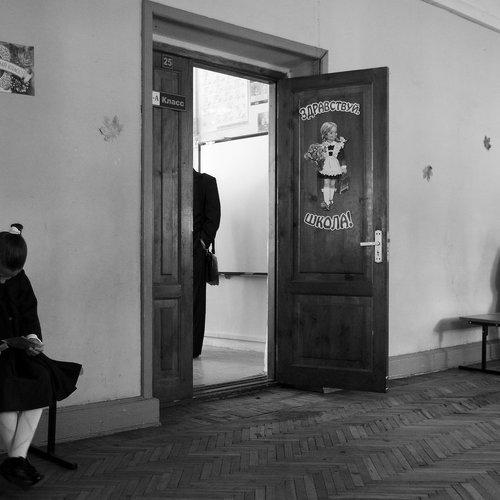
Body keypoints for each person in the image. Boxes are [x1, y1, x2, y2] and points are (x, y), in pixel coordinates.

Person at [0, 223, 82, 489]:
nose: (8, 279)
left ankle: (15, 459)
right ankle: (18, 460)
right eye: (3, 274)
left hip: (18, 351)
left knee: (42, 378)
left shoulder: (20, 279)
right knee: (5, 387)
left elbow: (29, 315)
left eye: (13, 274)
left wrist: (33, 340)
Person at [193, 170, 221, 358]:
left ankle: (193, 348)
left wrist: (201, 243)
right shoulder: (167, 180)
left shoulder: (206, 182)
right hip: (168, 252)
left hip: (195, 251)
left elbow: (213, 217)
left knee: (195, 300)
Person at [317, 122, 347, 210]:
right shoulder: (323, 146)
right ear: (325, 134)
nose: (334, 134)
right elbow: (320, 157)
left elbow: (342, 157)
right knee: (326, 182)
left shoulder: (338, 145)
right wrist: (318, 161)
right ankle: (326, 202)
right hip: (326, 166)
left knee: (333, 183)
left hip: (335, 165)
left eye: (335, 132)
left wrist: (343, 167)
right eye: (331, 133)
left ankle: (330, 200)